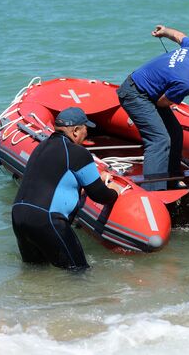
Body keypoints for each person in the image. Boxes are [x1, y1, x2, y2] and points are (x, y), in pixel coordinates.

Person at [116, 24, 189, 191]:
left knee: (176, 133)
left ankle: (172, 178)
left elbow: (179, 36)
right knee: (159, 139)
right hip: (135, 94)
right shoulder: (187, 82)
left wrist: (164, 31)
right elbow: (162, 103)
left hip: (147, 91)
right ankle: (154, 190)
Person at [11, 107, 120, 270]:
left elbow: (52, 180)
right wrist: (113, 190)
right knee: (79, 272)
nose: (87, 134)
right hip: (47, 219)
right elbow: (99, 195)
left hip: (19, 216)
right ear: (75, 130)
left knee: (36, 272)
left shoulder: (40, 147)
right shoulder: (78, 152)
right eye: (85, 129)